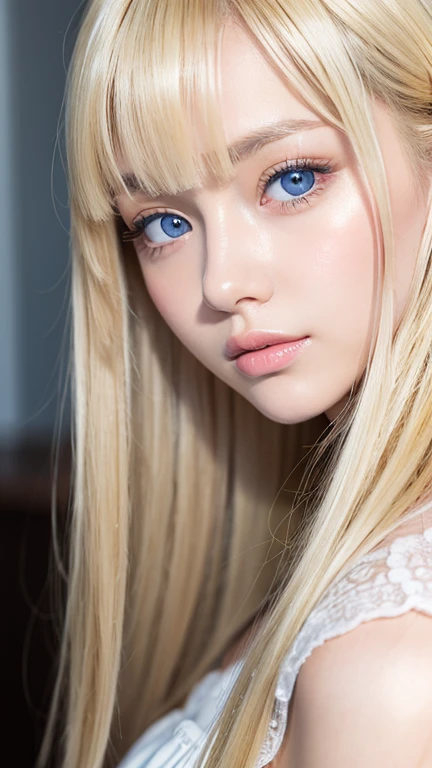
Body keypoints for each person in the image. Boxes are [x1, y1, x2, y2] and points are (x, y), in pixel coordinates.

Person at [38, 0, 432, 766]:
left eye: (291, 178)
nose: (220, 283)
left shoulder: (391, 665)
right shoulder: (355, 572)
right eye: (163, 222)